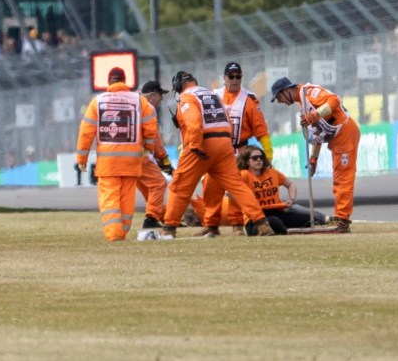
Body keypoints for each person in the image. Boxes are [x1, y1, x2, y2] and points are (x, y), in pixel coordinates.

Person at [159, 72, 275, 239]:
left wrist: (196, 145)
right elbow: (226, 119)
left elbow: (194, 121)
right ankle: (261, 223)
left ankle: (169, 227)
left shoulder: (187, 97)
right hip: (225, 144)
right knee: (237, 186)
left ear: (179, 86)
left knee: (180, 186)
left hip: (203, 144)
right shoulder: (213, 95)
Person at [76, 68, 160, 241]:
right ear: (125, 81)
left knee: (110, 199)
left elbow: (86, 131)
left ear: (109, 82)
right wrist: (149, 147)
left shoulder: (97, 102)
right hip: (131, 161)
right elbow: (151, 126)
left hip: (108, 164)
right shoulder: (139, 101)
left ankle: (114, 234)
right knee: (126, 200)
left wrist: (82, 158)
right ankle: (122, 230)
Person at [271, 76, 359, 233]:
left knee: (343, 178)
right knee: (339, 178)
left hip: (345, 133)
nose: (279, 101)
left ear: (286, 91)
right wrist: (314, 159)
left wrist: (314, 116)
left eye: (279, 97)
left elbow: (334, 101)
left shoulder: (309, 93)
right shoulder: (304, 106)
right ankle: (341, 217)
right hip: (338, 137)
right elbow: (318, 135)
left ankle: (342, 220)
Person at [198, 62, 275, 236]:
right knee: (210, 187)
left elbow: (261, 129)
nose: (234, 80)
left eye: (238, 76)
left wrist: (268, 154)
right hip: (217, 150)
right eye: (231, 76)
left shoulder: (249, 99)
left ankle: (237, 225)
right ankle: (210, 225)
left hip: (240, 150)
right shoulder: (213, 96)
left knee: (237, 187)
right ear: (224, 78)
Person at [226, 145, 327, 233]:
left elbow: (290, 184)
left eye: (261, 157)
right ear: (247, 161)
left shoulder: (272, 173)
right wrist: (247, 204)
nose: (259, 160)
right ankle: (278, 230)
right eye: (255, 158)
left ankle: (328, 219)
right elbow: (229, 193)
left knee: (307, 217)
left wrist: (291, 199)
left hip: (277, 211)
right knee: (274, 222)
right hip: (255, 217)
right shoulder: (244, 175)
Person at [137, 80, 175, 228]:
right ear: (152, 96)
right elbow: (154, 137)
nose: (162, 99)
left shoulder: (133, 105)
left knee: (148, 188)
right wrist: (164, 160)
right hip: (139, 154)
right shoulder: (148, 108)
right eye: (160, 95)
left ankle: (162, 216)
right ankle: (151, 219)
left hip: (121, 155)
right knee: (158, 184)